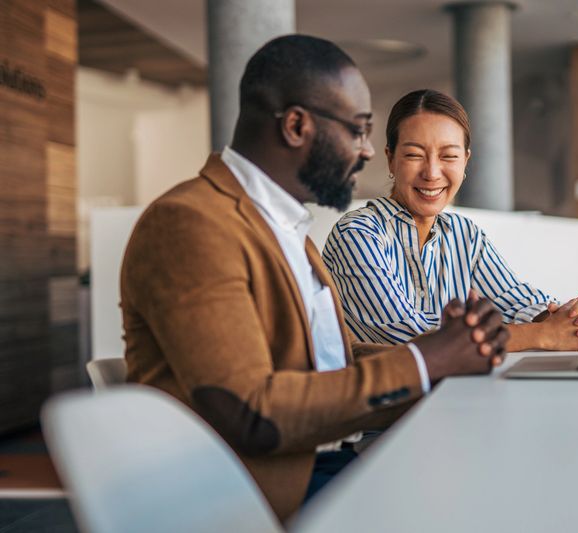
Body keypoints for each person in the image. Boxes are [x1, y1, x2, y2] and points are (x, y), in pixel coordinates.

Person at [120, 38, 508, 523]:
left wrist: (448, 355)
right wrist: (425, 360)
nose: (368, 151)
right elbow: (253, 412)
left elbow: (329, 367)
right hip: (250, 502)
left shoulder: (284, 227)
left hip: (323, 468)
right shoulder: (190, 223)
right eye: (358, 130)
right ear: (298, 125)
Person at [322, 89, 578, 353]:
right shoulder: (357, 233)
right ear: (391, 159)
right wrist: (541, 335)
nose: (432, 173)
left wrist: (571, 321)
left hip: (458, 393)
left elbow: (514, 300)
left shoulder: (463, 234)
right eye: (414, 155)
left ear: (465, 161)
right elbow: (409, 335)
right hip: (387, 404)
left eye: (449, 156)